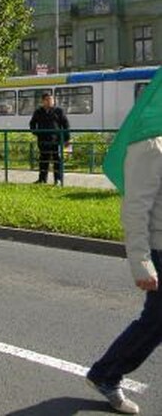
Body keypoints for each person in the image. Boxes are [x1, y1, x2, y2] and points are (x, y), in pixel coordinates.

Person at [86, 136, 162, 414]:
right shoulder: (150, 146)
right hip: (158, 248)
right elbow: (135, 209)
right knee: (156, 322)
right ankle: (106, 374)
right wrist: (142, 263)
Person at [29, 93, 71, 185]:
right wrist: (36, 132)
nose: (50, 101)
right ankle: (42, 179)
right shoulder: (38, 112)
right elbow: (32, 123)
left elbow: (65, 124)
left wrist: (67, 138)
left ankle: (58, 180)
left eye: (51, 99)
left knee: (57, 160)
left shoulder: (58, 111)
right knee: (43, 160)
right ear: (43, 101)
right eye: (47, 99)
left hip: (56, 140)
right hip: (43, 140)